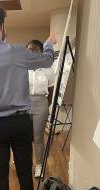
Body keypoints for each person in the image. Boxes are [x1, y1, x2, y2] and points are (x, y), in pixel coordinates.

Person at [0, 3, 56, 190]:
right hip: (20, 122)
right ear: (2, 26)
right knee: (25, 173)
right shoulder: (18, 52)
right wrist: (49, 42)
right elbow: (47, 60)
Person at [27, 40, 55, 178]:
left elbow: (51, 90)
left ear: (40, 52)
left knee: (38, 137)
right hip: (25, 103)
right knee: (25, 136)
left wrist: (44, 105)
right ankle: (26, 162)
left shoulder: (48, 68)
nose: (30, 52)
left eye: (33, 50)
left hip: (41, 103)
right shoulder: (23, 67)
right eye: (28, 50)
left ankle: (39, 165)